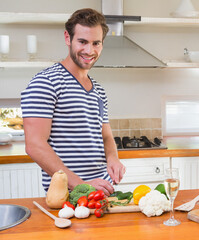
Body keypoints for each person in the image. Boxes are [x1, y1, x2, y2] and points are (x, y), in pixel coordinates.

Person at [21, 8, 125, 196]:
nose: (89, 50)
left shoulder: (98, 90)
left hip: (102, 190)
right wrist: (81, 185)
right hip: (70, 194)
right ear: (68, 38)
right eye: (82, 42)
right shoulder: (45, 82)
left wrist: (113, 159)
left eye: (96, 43)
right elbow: (35, 145)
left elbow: (106, 136)